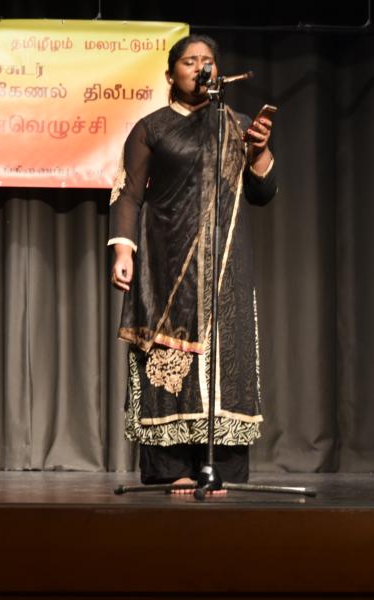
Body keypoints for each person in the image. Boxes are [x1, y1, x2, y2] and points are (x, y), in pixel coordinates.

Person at [108, 34, 277, 493]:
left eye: (208, 61)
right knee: (170, 365)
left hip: (226, 268)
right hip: (167, 263)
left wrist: (259, 152)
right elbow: (128, 193)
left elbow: (262, 193)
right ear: (171, 74)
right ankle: (170, 467)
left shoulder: (238, 125)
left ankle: (223, 468)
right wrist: (123, 250)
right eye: (189, 61)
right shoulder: (152, 128)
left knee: (224, 362)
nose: (200, 67)